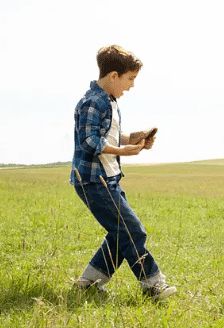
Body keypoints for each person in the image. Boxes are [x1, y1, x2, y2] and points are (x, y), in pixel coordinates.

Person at [70, 45, 176, 300]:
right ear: (114, 75)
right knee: (133, 230)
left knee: (121, 232)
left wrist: (134, 138)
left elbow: (109, 135)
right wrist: (123, 151)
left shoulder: (109, 101)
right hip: (93, 180)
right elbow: (89, 141)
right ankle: (153, 285)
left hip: (109, 178)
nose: (131, 86)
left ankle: (88, 283)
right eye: (130, 79)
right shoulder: (93, 102)